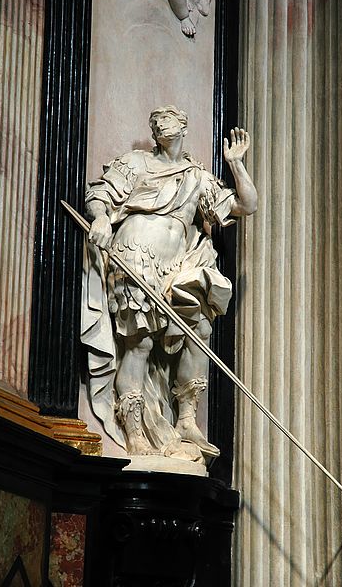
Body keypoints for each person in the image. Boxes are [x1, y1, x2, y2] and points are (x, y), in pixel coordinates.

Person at [82, 105, 257, 464]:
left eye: (168, 116)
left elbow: (245, 205)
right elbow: (99, 195)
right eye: (155, 119)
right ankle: (133, 429)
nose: (159, 121)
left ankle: (187, 419)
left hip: (176, 265)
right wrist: (100, 219)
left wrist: (236, 163)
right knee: (141, 342)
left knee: (201, 328)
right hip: (135, 256)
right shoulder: (135, 162)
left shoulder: (197, 176)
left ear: (184, 126)